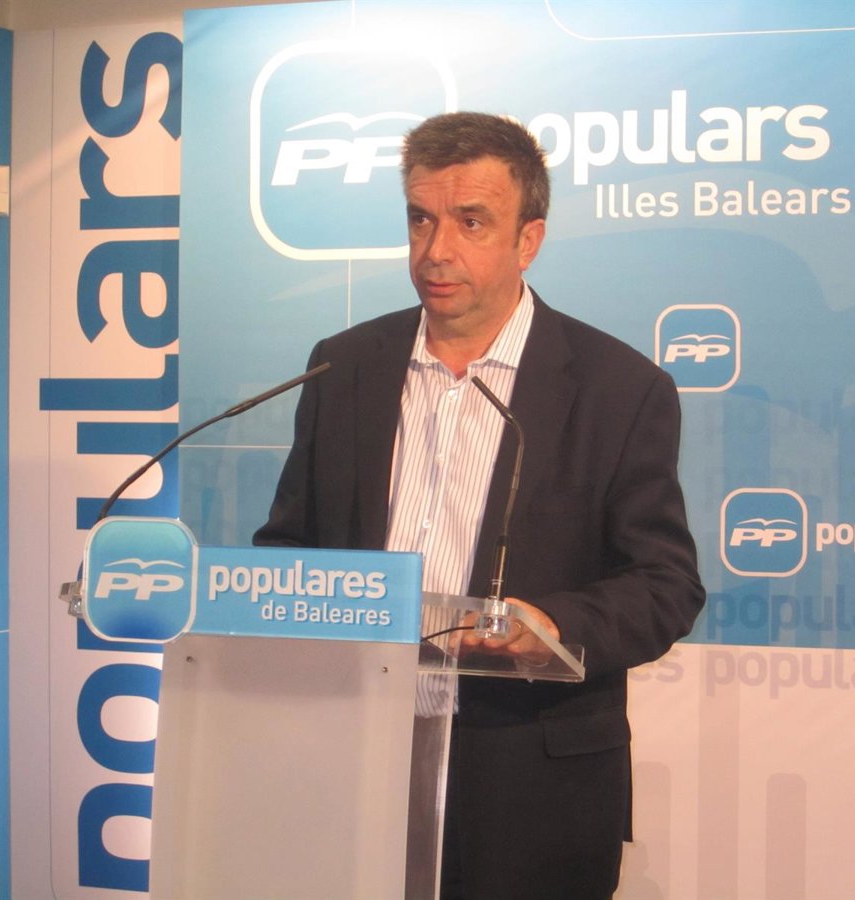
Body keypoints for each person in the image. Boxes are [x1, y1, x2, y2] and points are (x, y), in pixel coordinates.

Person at [254, 111, 705, 899]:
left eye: (470, 222)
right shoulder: (343, 366)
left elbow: (665, 585)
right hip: (356, 761)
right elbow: (289, 548)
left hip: (530, 787)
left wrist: (550, 624)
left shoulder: (620, 388)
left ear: (528, 240)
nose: (436, 251)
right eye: (420, 219)